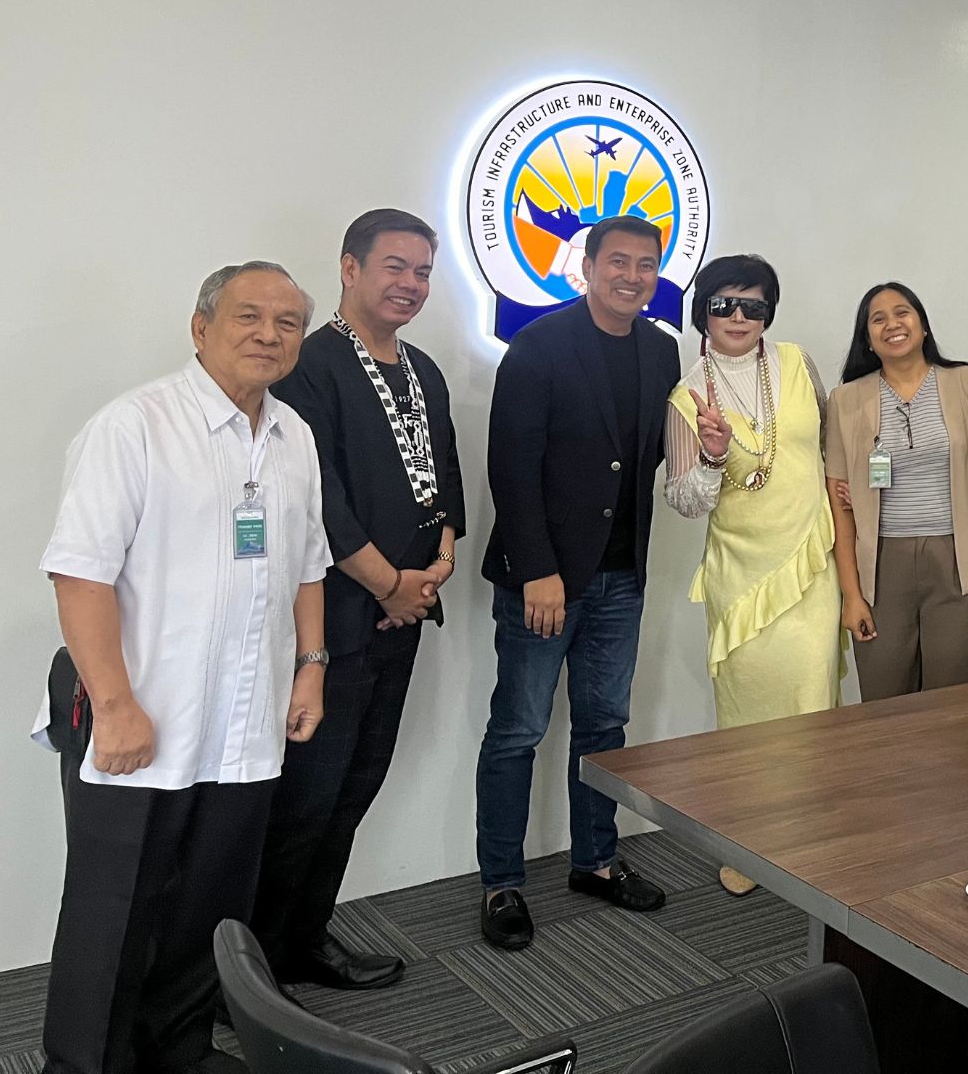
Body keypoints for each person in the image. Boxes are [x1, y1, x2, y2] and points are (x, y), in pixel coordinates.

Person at [34, 261, 330, 1074]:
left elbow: (309, 565)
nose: (269, 335)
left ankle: (178, 1051)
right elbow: (79, 574)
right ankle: (84, 1066)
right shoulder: (134, 427)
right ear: (201, 328)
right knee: (113, 911)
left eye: (288, 323)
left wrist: (310, 667)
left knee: (213, 909)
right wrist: (114, 704)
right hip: (141, 716)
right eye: (248, 316)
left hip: (246, 720)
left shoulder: (294, 437)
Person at [251, 209, 464, 991]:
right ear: (350, 268)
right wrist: (387, 583)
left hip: (402, 617)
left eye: (423, 272)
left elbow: (445, 476)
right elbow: (320, 498)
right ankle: (253, 970)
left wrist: (440, 559)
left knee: (354, 787)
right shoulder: (310, 365)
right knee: (304, 799)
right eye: (394, 267)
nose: (411, 284)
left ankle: (304, 940)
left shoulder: (424, 369)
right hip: (334, 620)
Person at [474, 216, 681, 951]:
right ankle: (501, 882)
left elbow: (648, 456)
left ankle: (595, 861)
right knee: (519, 731)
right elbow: (511, 466)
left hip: (622, 577)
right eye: (617, 261)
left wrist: (707, 448)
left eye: (646, 264)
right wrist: (538, 569)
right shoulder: (539, 345)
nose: (632, 276)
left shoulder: (662, 350)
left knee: (604, 730)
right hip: (546, 579)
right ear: (586, 267)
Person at [665, 254, 838, 895]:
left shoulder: (797, 363)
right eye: (724, 304)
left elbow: (828, 447)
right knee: (747, 714)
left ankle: (807, 839)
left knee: (812, 700)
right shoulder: (685, 396)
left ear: (769, 313)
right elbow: (684, 501)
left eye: (754, 305)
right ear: (704, 311)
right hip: (741, 577)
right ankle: (750, 844)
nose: (738, 317)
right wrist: (712, 457)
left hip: (810, 564)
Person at [824, 282, 968, 700]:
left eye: (902, 312)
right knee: (887, 703)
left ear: (923, 326)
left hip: (958, 560)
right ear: (867, 339)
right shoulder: (845, 400)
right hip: (880, 568)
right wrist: (852, 595)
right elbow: (840, 505)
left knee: (959, 701)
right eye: (878, 319)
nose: (892, 324)